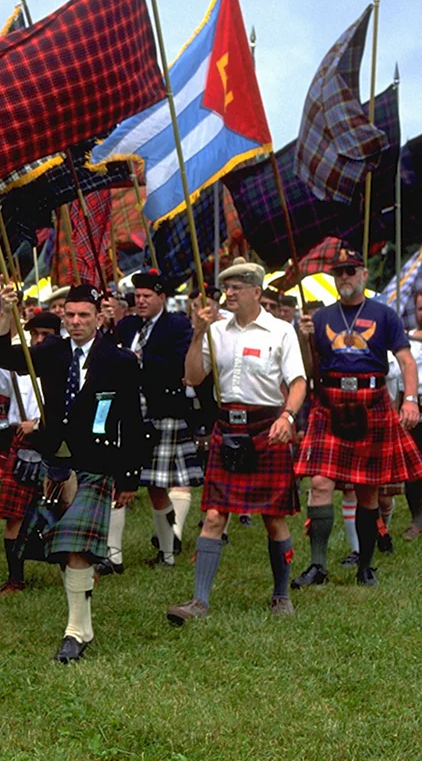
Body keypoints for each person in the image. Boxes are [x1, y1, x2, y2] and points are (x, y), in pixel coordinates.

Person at [0, 284, 145, 664]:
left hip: (98, 464)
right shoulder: (52, 351)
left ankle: (74, 633)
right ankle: (84, 624)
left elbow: (131, 421)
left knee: (76, 548)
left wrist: (128, 479)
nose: (75, 322)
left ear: (100, 317)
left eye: (84, 316)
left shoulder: (120, 360)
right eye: (70, 315)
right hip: (56, 464)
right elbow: (0, 356)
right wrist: (8, 312)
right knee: (64, 550)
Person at [166, 259, 307, 624]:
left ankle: (281, 595)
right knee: (214, 515)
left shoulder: (281, 331)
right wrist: (198, 334)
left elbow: (298, 383)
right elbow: (193, 376)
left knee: (274, 519)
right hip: (228, 427)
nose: (227, 293)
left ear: (256, 292)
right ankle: (199, 602)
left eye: (236, 288)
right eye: (226, 287)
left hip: (267, 428)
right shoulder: (217, 331)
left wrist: (287, 417)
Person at [291, 247, 422, 588]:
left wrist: (410, 400)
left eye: (351, 271)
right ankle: (318, 566)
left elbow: (406, 360)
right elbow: (307, 371)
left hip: (372, 403)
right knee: (319, 483)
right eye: (339, 273)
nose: (345, 277)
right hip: (330, 405)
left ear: (364, 275)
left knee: (368, 492)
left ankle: (365, 566)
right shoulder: (319, 318)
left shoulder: (384, 314)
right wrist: (305, 340)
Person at [100, 270, 201, 573]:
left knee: (158, 487)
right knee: (118, 479)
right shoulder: (126, 325)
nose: (140, 301)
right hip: (126, 409)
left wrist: (138, 359)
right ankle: (113, 555)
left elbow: (177, 364)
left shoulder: (177, 325)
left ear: (162, 298)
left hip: (162, 409)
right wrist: (106, 329)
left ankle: (168, 553)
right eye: (137, 296)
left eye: (147, 296)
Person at [0, 311, 54, 592]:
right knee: (14, 515)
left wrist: (40, 424)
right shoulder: (18, 366)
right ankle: (15, 577)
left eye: (46, 334)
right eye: (36, 335)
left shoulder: (64, 363)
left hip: (55, 442)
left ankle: (78, 565)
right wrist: (2, 325)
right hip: (21, 443)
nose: (40, 340)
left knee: (64, 511)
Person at [402, 290, 422, 541]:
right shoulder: (407, 343)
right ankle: (417, 517)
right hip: (414, 409)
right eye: (420, 308)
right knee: (414, 468)